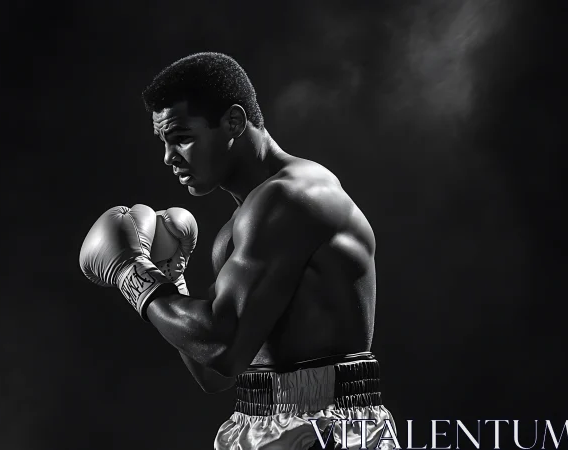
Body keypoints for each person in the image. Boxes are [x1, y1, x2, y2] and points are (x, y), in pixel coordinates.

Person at [79, 52, 396, 449]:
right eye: (163, 142)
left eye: (182, 138)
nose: (168, 157)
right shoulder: (239, 227)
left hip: (327, 427)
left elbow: (222, 348)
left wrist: (132, 274)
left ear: (233, 121)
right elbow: (215, 371)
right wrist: (169, 277)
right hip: (259, 421)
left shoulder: (291, 197)